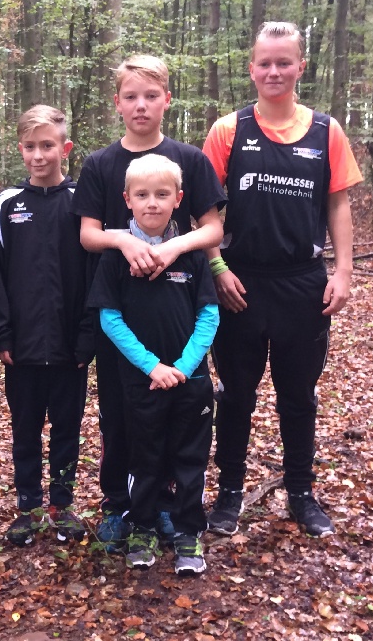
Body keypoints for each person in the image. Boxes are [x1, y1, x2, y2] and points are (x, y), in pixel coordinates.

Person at [202, 21, 362, 538]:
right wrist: (217, 269)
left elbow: (338, 203)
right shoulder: (228, 130)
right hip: (240, 283)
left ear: (301, 67)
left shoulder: (326, 132)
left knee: (298, 395)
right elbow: (204, 212)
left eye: (284, 62)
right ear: (251, 69)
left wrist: (342, 271)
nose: (274, 71)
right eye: (264, 63)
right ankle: (228, 495)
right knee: (236, 394)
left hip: (302, 284)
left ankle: (301, 493)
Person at [71, 55, 226, 550]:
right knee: (120, 416)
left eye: (151, 96)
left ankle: (166, 506)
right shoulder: (99, 164)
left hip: (179, 306)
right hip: (122, 309)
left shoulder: (190, 161)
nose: (141, 105)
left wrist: (172, 247)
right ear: (117, 102)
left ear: (166, 100)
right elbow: (88, 235)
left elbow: (213, 228)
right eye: (131, 96)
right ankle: (121, 506)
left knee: (178, 417)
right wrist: (126, 241)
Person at [87, 155, 219, 573]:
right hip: (141, 383)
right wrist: (152, 367)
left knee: (189, 460)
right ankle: (141, 526)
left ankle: (187, 533)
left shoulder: (193, 255)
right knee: (143, 458)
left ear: (178, 199)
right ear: (127, 200)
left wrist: (182, 365)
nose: (152, 203)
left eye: (162, 195)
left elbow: (210, 315)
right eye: (142, 195)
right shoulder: (115, 259)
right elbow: (110, 319)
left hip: (190, 382)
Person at [0, 105, 96, 547]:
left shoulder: (82, 205)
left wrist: (87, 337)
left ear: (64, 149)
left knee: (68, 428)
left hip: (72, 347)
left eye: (47, 145)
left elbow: (95, 275)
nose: (39, 155)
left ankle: (62, 504)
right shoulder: (6, 205)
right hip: (23, 348)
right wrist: (2, 334)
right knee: (25, 429)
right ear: (20, 150)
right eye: (30, 147)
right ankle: (29, 506)